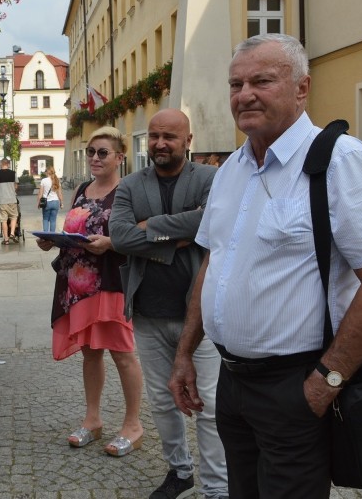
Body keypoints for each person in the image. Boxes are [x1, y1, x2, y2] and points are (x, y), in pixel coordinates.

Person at [169, 33, 362, 498]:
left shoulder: (340, 160)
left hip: (297, 385)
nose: (245, 95)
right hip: (233, 383)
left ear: (302, 88)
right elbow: (214, 265)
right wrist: (185, 354)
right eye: (236, 84)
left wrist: (326, 381)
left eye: (262, 80)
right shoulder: (230, 170)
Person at [109, 109, 228, 499]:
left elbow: (213, 223)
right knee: (163, 401)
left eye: (170, 137)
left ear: (188, 141)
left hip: (201, 314)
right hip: (148, 313)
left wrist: (153, 229)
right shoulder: (129, 184)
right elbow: (122, 238)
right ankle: (180, 470)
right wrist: (182, 233)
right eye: (155, 136)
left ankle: (217, 486)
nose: (160, 143)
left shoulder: (211, 178)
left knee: (207, 405)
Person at [36, 126, 144, 457]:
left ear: (120, 158)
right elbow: (75, 229)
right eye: (91, 152)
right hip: (79, 284)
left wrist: (111, 243)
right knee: (90, 351)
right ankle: (93, 419)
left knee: (123, 353)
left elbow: (142, 235)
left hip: (112, 282)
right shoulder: (83, 189)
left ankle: (133, 424)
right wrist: (50, 240)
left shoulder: (129, 191)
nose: (95, 158)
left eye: (103, 153)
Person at [0, 157, 18, 244]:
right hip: (12, 199)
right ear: (8, 164)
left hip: (1, 200)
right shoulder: (13, 173)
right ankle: (12, 233)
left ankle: (6, 239)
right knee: (14, 216)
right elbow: (16, 186)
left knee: (3, 220)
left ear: (1, 164)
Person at [37, 166, 64, 231]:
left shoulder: (44, 181)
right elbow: (60, 194)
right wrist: (61, 203)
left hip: (47, 203)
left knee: (45, 219)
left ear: (47, 172)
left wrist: (38, 203)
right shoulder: (57, 181)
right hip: (55, 202)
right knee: (53, 220)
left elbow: (40, 193)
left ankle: (46, 236)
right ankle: (52, 237)